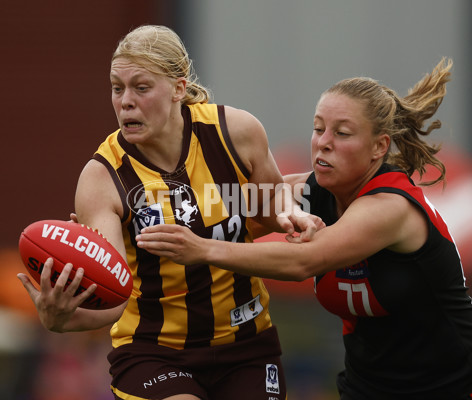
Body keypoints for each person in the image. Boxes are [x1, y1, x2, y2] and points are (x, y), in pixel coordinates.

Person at [136, 58, 472, 399]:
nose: (323, 142)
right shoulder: (316, 192)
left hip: (452, 386)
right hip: (369, 386)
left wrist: (202, 249)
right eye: (318, 128)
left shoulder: (389, 208)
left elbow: (303, 262)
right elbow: (222, 204)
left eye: (342, 133)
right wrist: (122, 219)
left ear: (379, 147)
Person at [17, 24, 320, 400]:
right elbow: (112, 299)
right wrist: (61, 317)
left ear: (178, 88)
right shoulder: (102, 178)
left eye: (141, 88)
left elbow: (269, 201)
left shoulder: (235, 132)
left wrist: (294, 213)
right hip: (153, 353)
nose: (125, 101)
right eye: (117, 88)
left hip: (247, 344)